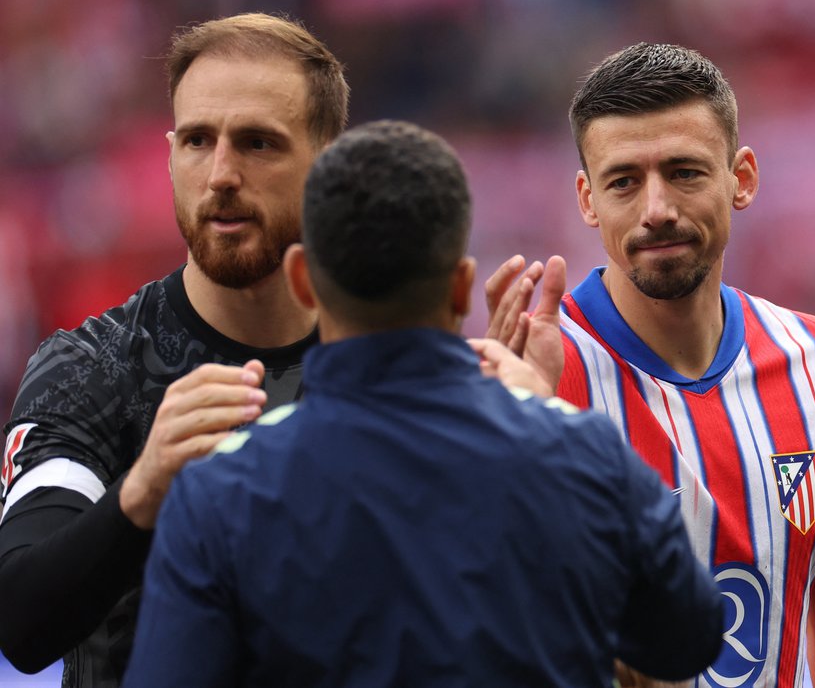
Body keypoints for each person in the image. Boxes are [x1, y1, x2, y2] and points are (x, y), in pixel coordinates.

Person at [121, 119, 725, 687]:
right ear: (462, 286)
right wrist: (545, 416)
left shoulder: (220, 493)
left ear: (303, 278)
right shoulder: (585, 455)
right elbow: (688, 640)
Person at [485, 43, 815, 688]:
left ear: (742, 178)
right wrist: (504, 439)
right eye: (624, 180)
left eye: (684, 172)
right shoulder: (533, 375)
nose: (656, 209)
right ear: (587, 199)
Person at [0, 12, 349, 687]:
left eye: (257, 143)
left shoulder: (388, 364)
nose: (220, 174)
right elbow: (20, 621)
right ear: (169, 155)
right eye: (197, 140)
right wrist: (142, 491)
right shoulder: (92, 370)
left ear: (332, 164)